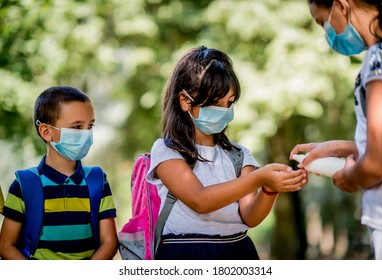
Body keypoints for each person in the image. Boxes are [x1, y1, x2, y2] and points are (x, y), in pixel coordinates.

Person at [145, 46, 307, 260]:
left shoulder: (239, 155)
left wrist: (269, 189)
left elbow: (250, 217)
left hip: (237, 251)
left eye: (229, 103)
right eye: (214, 102)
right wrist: (259, 177)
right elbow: (200, 200)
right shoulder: (167, 150)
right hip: (185, 254)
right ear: (185, 101)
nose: (223, 111)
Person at [290, 0, 382, 260]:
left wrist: (349, 176)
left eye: (322, 21)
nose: (327, 32)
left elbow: (378, 165)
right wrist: (341, 147)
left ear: (342, 6)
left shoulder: (379, 59)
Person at [0, 86, 118, 260]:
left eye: (90, 126)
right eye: (77, 127)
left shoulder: (97, 180)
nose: (86, 134)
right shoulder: (24, 183)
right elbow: (5, 246)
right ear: (46, 132)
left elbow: (109, 242)